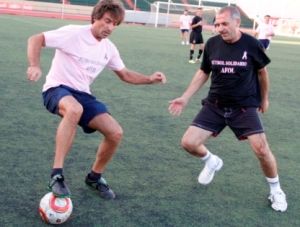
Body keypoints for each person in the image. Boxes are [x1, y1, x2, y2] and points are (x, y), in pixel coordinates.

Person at [27, 0, 166, 200]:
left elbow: (125, 74)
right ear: (95, 18)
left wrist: (150, 79)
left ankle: (94, 176)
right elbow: (35, 38)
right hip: (56, 88)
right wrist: (34, 65)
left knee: (115, 132)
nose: (110, 27)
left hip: (83, 94)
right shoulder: (74, 33)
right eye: (107, 21)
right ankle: (56, 175)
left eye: (114, 24)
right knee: (74, 110)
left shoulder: (109, 48)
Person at [169, 6, 287, 212]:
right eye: (216, 24)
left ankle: (276, 189)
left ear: (237, 22)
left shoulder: (252, 44)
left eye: (224, 24)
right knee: (188, 143)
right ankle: (211, 161)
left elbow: (262, 73)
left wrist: (264, 99)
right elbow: (203, 72)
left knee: (261, 149)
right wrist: (185, 97)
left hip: (244, 106)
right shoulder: (212, 44)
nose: (220, 28)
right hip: (215, 104)